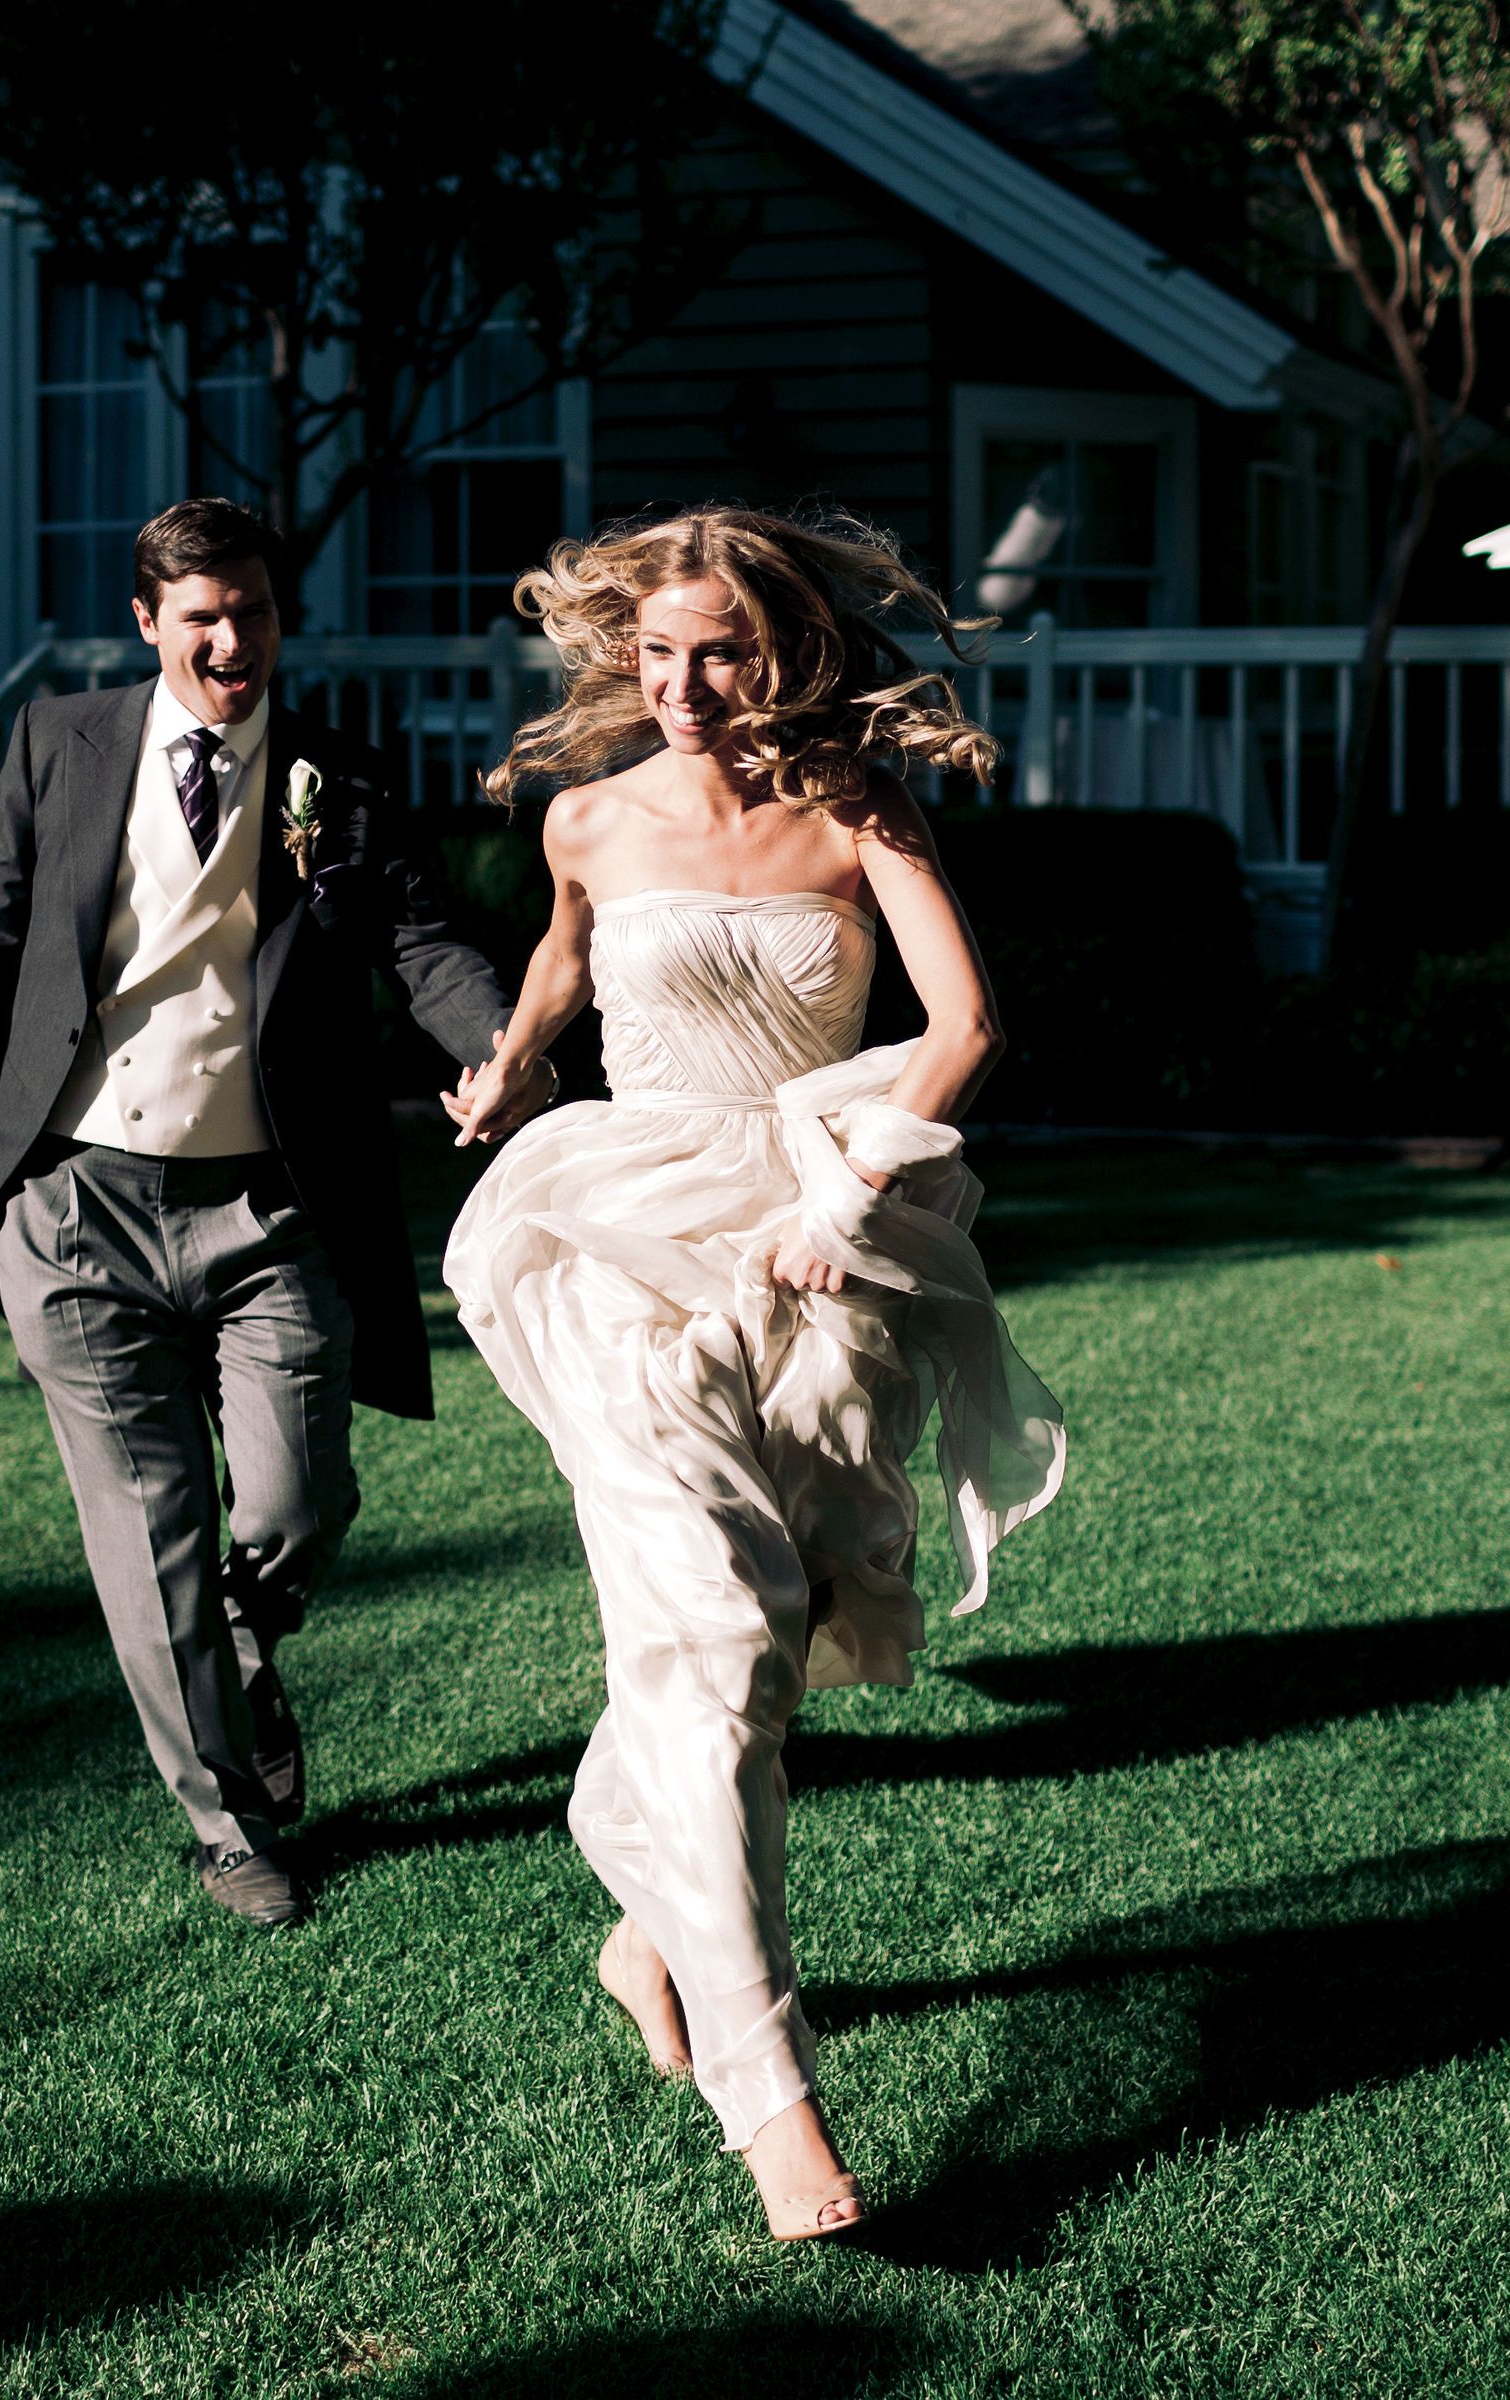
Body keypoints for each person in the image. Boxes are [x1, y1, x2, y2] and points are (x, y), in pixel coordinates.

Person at [440, 507, 1067, 2240]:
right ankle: (774, 2099)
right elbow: (564, 974)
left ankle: (644, 1915)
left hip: (819, 1237)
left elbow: (963, 1028)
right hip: (623, 1240)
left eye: (716, 650)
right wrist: (501, 1077)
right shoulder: (586, 818)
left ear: (778, 646)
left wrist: (847, 1188)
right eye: (653, 654)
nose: (683, 686)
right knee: (712, 1627)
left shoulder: (857, 806)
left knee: (768, 1634)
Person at [0, 498, 546, 1925]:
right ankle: (228, 1824)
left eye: (252, 611)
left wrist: (496, 1048)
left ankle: (239, 1655)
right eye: (200, 615)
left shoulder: (326, 779)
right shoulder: (64, 748)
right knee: (154, 1537)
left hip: (271, 1210)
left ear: (280, 619)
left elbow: (412, 934)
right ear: (147, 624)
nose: (230, 640)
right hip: (77, 1207)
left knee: (293, 1499)